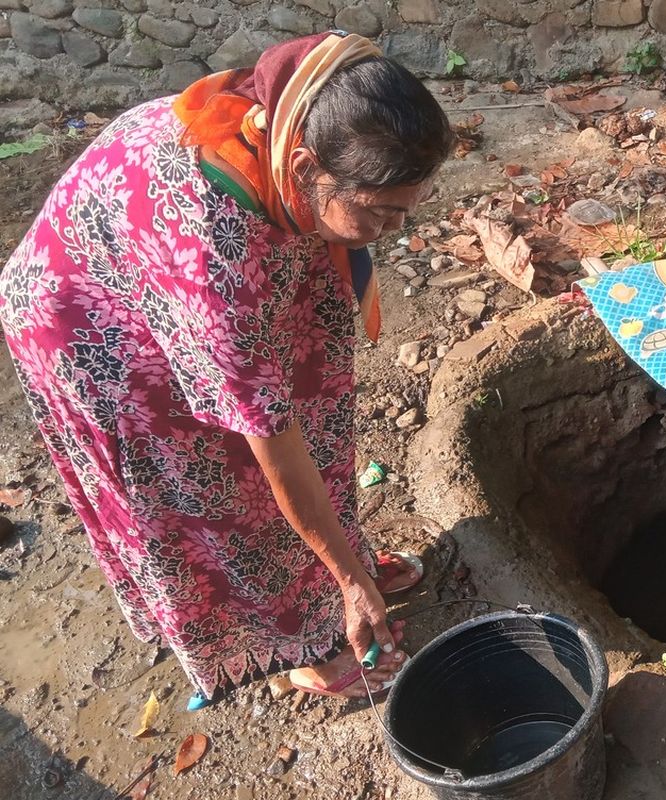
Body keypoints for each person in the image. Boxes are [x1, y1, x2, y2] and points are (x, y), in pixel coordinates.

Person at [0, 32, 454, 703]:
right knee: (222, 490)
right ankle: (307, 648)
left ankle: (337, 571)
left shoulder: (287, 115)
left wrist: (345, 564)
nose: (397, 228)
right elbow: (273, 444)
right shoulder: (220, 262)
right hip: (95, 334)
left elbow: (291, 415)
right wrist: (353, 581)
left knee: (308, 427)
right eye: (383, 211)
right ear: (303, 165)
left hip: (170, 271)